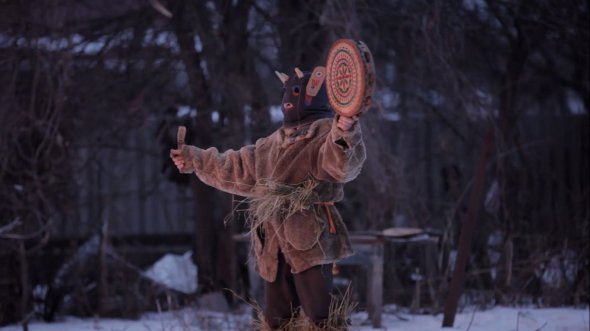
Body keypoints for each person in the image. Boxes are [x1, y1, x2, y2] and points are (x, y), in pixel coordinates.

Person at [170, 66, 366, 330]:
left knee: (321, 317)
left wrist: (344, 130)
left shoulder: (325, 133)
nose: (289, 98)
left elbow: (342, 165)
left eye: (296, 92)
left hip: (310, 235)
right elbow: (234, 167)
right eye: (287, 91)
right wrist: (193, 159)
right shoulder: (270, 144)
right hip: (272, 240)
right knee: (278, 319)